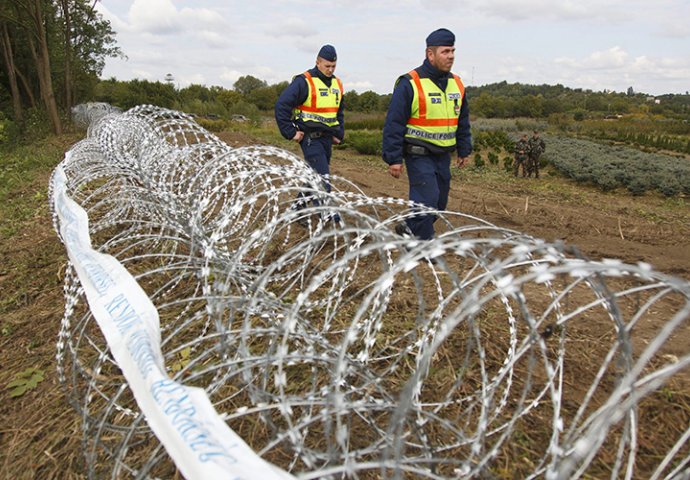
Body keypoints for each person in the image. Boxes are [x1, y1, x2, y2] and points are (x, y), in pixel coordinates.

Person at [382, 28, 472, 241]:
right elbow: (394, 123)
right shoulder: (410, 83)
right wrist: (393, 158)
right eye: (445, 51)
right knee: (427, 200)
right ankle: (421, 244)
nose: (451, 56)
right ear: (430, 54)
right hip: (418, 153)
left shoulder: (457, 84)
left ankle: (409, 228)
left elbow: (463, 120)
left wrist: (464, 149)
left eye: (453, 51)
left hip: (443, 155)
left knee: (439, 204)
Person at [274, 44, 345, 224]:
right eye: (327, 66)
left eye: (333, 66)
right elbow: (281, 105)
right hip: (310, 138)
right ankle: (325, 213)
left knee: (314, 175)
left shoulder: (337, 84)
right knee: (322, 177)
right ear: (318, 62)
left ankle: (297, 207)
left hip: (327, 139)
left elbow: (339, 112)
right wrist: (290, 132)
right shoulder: (304, 81)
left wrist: (339, 133)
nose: (330, 70)